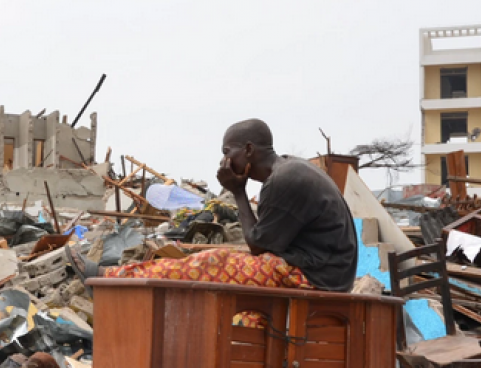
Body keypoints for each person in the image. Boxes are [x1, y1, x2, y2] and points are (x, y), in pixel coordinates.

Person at [66, 118, 358, 297]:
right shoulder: (290, 171)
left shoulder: (286, 179)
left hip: (315, 278)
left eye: (226, 152)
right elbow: (265, 242)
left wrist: (238, 191)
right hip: (324, 272)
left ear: (248, 150)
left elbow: (258, 246)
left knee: (211, 263)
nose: (223, 161)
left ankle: (108, 280)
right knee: (219, 271)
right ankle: (116, 277)